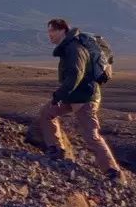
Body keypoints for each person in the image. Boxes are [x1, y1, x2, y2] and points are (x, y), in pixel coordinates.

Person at [39, 18, 125, 184]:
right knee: (47, 113)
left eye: (52, 31)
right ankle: (56, 149)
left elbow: (75, 75)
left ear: (62, 30)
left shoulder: (74, 49)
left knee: (91, 136)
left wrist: (59, 95)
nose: (49, 35)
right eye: (48, 31)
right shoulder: (69, 47)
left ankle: (114, 172)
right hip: (73, 96)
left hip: (85, 98)